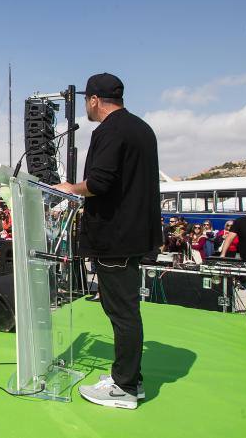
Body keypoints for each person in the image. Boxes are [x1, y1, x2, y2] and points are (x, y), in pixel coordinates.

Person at [54, 73, 161, 409]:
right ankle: (130, 379)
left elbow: (100, 182)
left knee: (122, 313)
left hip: (116, 237)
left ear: (95, 100)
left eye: (87, 100)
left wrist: (72, 188)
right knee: (125, 310)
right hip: (133, 234)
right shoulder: (141, 128)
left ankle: (125, 388)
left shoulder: (110, 130)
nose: (87, 106)